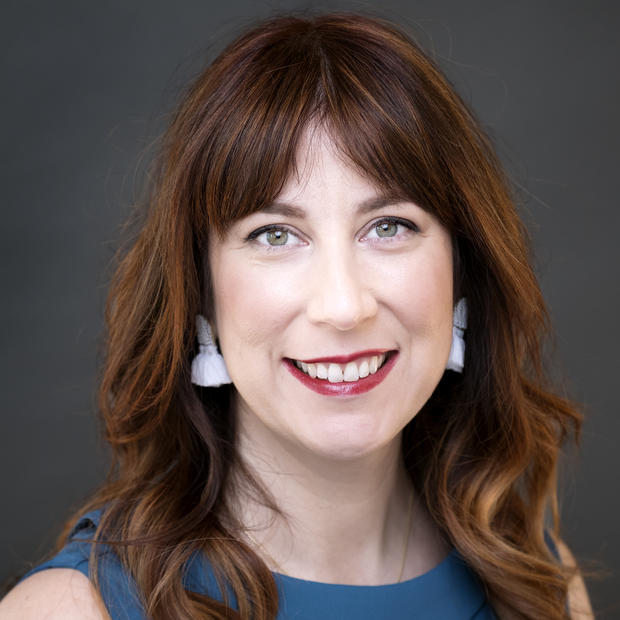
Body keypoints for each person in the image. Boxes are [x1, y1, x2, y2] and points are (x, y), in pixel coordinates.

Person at [0, 12, 593, 620]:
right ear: (199, 292)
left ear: (462, 271)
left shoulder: (538, 581)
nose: (343, 306)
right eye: (275, 235)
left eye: (388, 227)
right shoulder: (71, 609)